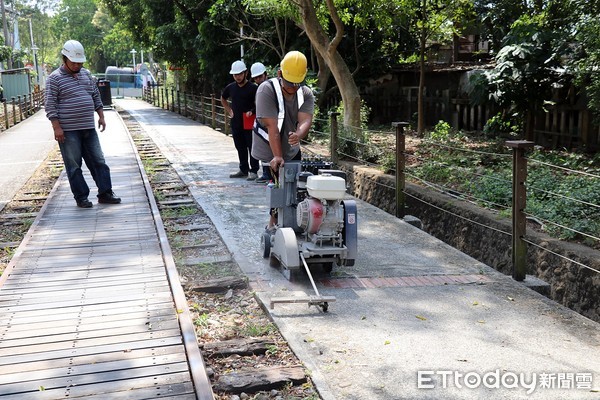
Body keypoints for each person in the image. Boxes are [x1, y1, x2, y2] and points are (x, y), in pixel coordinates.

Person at [45, 40, 121, 208]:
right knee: (74, 165)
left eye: (80, 62)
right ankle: (81, 198)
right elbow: (50, 105)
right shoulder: (54, 79)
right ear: (64, 59)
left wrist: (101, 116)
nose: (77, 65)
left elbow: (95, 95)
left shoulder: (86, 74)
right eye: (74, 62)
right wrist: (56, 127)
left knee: (99, 161)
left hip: (88, 127)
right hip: (69, 131)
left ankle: (105, 193)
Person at [252, 51, 315, 229]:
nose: (292, 88)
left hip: (291, 145)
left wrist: (299, 134)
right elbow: (272, 126)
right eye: (289, 84)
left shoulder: (305, 93)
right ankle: (272, 223)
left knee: (295, 184)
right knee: (279, 185)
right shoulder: (266, 90)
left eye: (297, 83)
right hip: (269, 145)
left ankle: (296, 220)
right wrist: (277, 156)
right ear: (279, 74)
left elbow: (305, 120)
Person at [221, 60, 259, 180]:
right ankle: (243, 169)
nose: (237, 77)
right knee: (240, 146)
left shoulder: (253, 88)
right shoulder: (231, 87)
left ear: (246, 73)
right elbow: (223, 98)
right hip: (236, 122)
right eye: (235, 74)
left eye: (240, 74)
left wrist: (252, 111)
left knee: (251, 146)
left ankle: (254, 171)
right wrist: (229, 110)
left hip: (249, 122)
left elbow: (260, 104)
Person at [250, 62, 271, 183]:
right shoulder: (258, 88)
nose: (258, 79)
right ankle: (265, 173)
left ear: (265, 75)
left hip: (270, 121)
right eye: (256, 77)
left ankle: (270, 174)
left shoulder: (270, 87)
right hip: (260, 122)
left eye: (260, 77)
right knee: (263, 148)